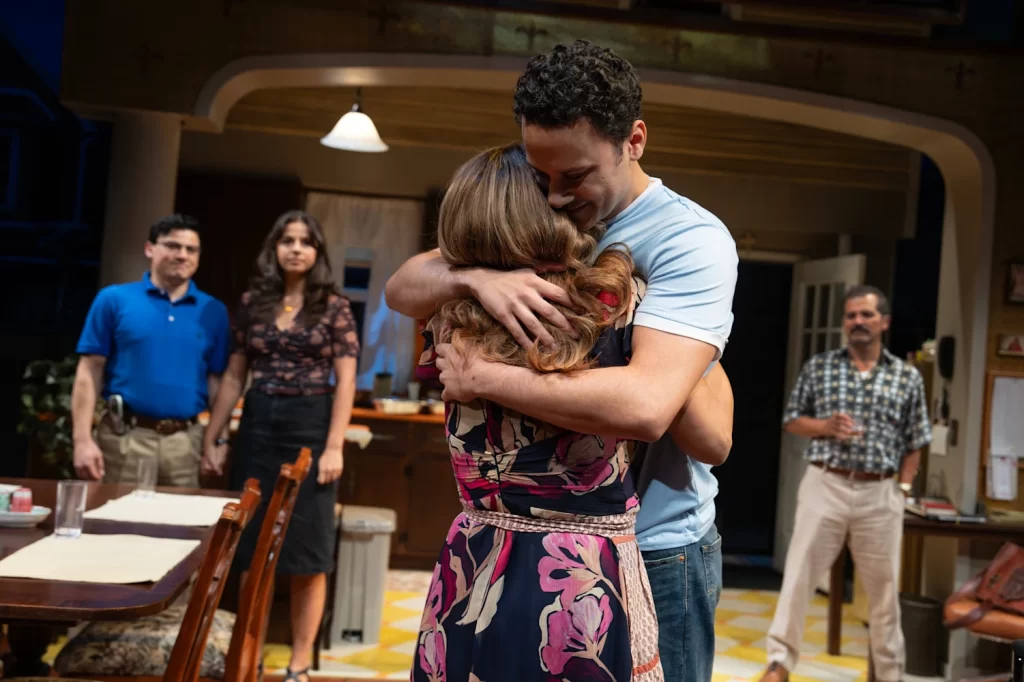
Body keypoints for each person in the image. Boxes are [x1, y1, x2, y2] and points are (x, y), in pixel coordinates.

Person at [386, 40, 737, 682]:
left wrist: (485, 377)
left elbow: (649, 408)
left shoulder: (686, 240)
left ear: (633, 141)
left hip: (651, 542)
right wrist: (473, 278)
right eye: (540, 175)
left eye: (573, 177)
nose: (552, 197)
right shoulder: (541, 212)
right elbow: (401, 287)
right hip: (515, 536)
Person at [203, 209, 359, 682]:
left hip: (310, 425)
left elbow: (346, 380)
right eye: (287, 240)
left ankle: (299, 664)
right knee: (252, 547)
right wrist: (215, 435)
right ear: (274, 248)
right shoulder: (252, 302)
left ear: (317, 253)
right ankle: (250, 654)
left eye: (305, 241)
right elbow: (234, 376)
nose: (295, 248)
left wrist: (335, 446)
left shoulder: (334, 306)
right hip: (257, 427)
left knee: (309, 552)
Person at [759, 285, 931, 682]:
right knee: (799, 575)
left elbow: (916, 440)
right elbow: (792, 420)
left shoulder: (906, 376)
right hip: (827, 483)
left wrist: (904, 490)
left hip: (880, 491)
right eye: (851, 315)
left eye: (866, 315)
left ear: (884, 322)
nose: (858, 321)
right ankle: (779, 663)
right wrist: (825, 426)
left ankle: (888, 673)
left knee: (885, 589)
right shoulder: (820, 367)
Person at [71, 214, 231, 487]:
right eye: (172, 246)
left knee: (181, 516)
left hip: (185, 443)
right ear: (150, 249)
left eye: (191, 249)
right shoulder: (114, 300)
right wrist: (82, 439)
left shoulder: (213, 311)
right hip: (124, 438)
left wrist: (218, 440)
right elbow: (89, 370)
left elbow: (217, 382)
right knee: (115, 514)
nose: (182, 255)